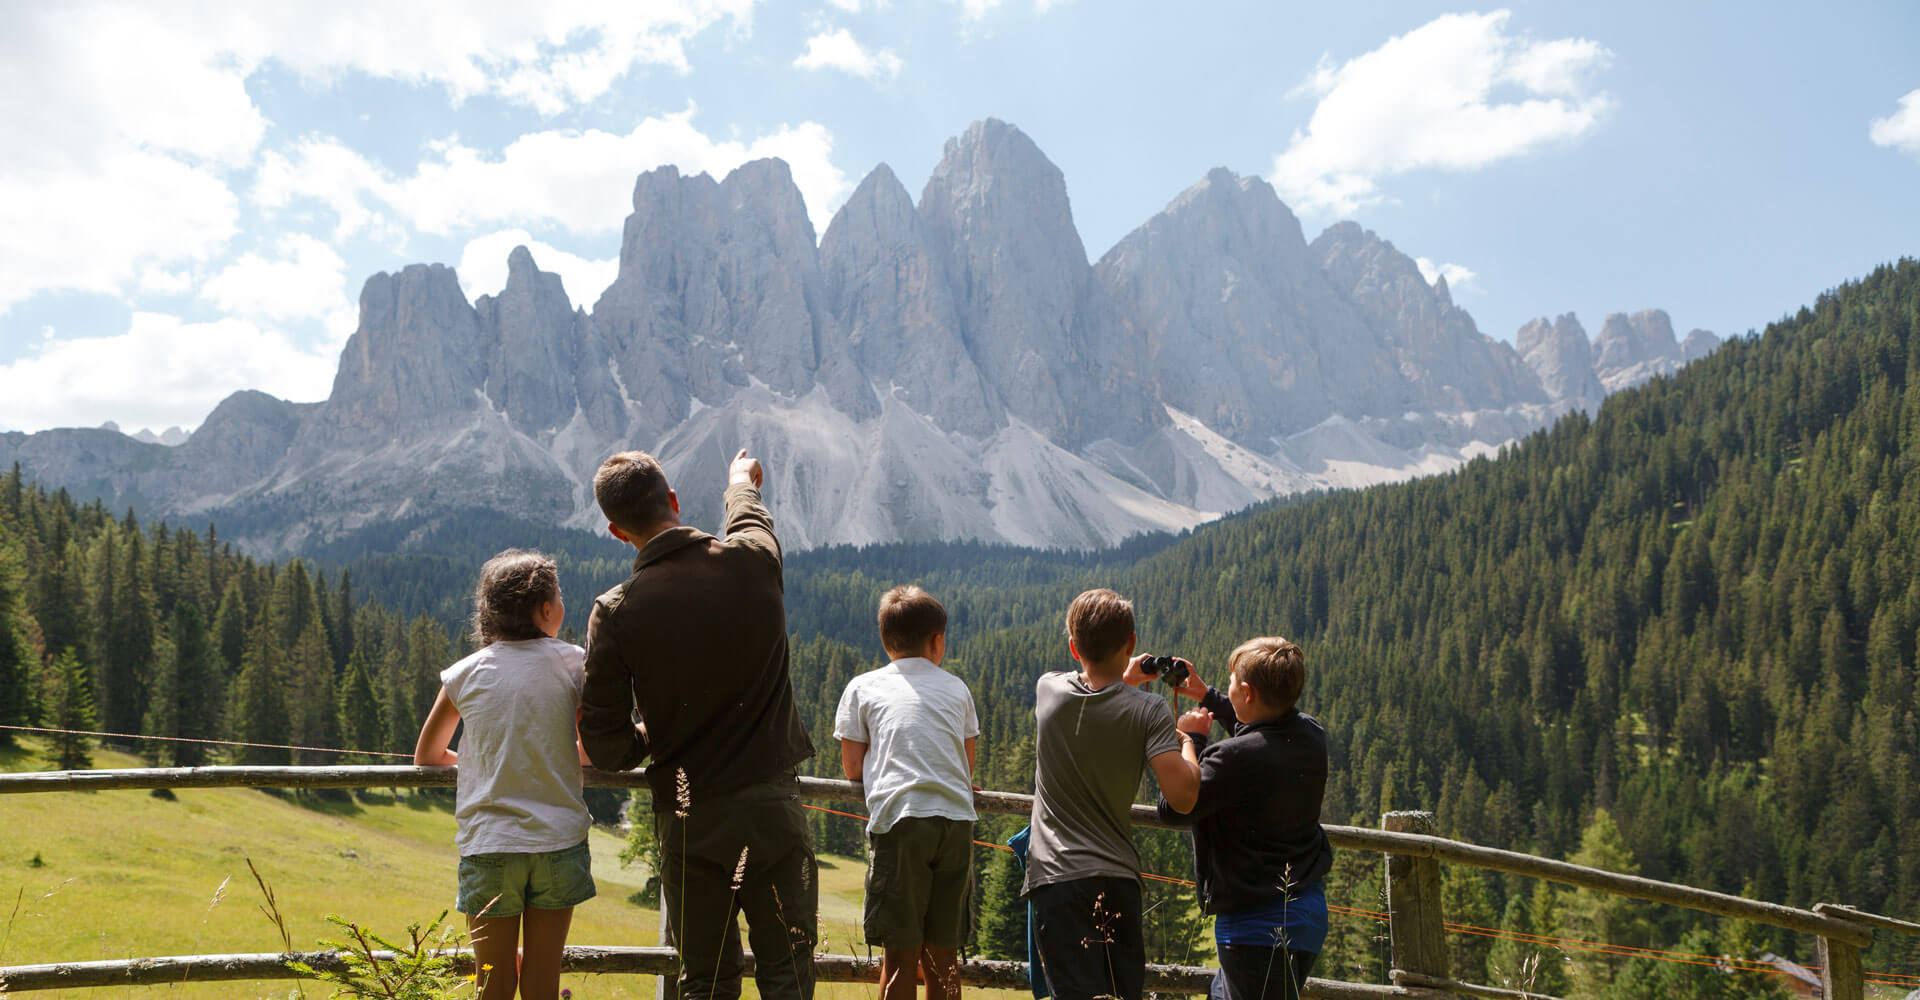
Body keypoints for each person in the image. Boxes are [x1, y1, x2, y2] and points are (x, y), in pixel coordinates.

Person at [578, 448, 817, 1000]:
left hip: (690, 821)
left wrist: (650, 734)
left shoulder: (616, 611)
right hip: (773, 811)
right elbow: (751, 520)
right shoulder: (755, 561)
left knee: (704, 983)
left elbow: (608, 746)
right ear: (675, 502)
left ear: (617, 532)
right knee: (789, 977)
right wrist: (739, 483)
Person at [414, 549, 595, 1000]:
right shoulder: (575, 664)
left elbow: (428, 755)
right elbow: (589, 756)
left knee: (492, 983)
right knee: (542, 979)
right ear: (547, 610)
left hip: (489, 844)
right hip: (558, 842)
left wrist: (482, 766)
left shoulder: (464, 673)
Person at [1023, 588, 1202, 1000]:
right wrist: (1190, 741)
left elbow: (1095, 691)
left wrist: (1126, 675)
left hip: (1056, 879)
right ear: (1131, 643)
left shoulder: (1048, 690)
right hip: (1117, 878)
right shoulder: (1150, 711)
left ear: (1073, 646)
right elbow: (1183, 797)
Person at [1154, 637, 1333, 1000]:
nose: (1229, 687)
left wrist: (1191, 742)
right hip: (1306, 913)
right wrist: (1209, 696)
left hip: (1255, 925)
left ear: (1248, 693)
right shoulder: (1311, 735)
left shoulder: (1231, 759)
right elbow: (1260, 737)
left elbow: (1174, 807)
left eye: (1232, 681)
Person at [834, 585, 980, 1000]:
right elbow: (965, 765)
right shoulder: (957, 688)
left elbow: (853, 768)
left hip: (901, 822)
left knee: (899, 957)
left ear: (884, 640)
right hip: (955, 822)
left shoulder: (863, 687)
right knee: (944, 958)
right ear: (937, 641)